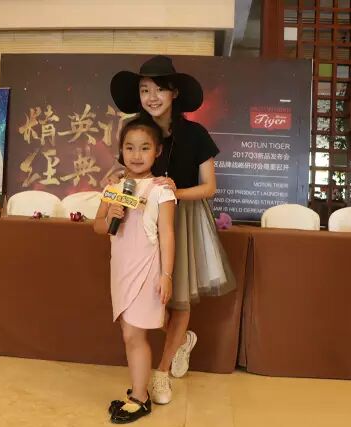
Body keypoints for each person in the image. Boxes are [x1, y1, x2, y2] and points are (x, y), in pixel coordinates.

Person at [110, 55, 236, 404]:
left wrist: (170, 193)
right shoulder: (136, 130)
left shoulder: (195, 134)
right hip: (140, 222)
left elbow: (209, 187)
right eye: (144, 90)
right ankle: (182, 339)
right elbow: (128, 173)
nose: (151, 97)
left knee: (177, 295)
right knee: (148, 296)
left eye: (159, 89)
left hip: (182, 219)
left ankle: (162, 372)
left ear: (174, 93)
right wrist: (120, 184)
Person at [94, 117, 176, 424]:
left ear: (157, 151)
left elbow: (167, 234)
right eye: (129, 148)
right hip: (121, 269)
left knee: (133, 333)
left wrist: (166, 275)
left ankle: (140, 398)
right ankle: (138, 391)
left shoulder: (161, 190)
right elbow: (98, 226)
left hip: (147, 269)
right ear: (121, 150)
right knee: (128, 333)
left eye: (144, 148)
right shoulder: (114, 187)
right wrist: (110, 216)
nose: (136, 155)